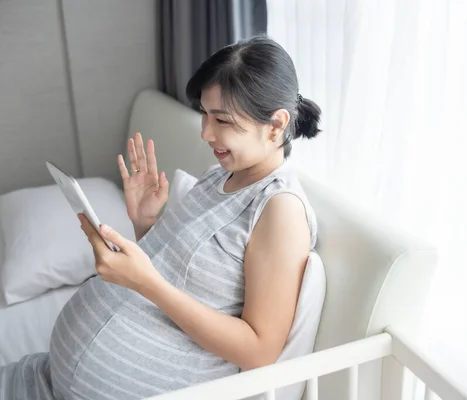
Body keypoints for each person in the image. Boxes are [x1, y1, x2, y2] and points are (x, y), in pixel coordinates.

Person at [0, 35, 325, 400]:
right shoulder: (221, 176)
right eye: (204, 113)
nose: (206, 132)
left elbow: (260, 351)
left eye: (223, 120)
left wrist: (146, 283)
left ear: (276, 124)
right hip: (47, 378)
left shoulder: (279, 209)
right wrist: (146, 223)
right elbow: (185, 279)